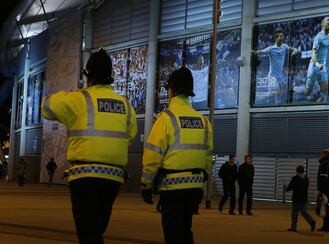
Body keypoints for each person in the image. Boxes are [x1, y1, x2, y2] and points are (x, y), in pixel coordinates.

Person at [41, 48, 137, 244]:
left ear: (88, 76)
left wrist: (66, 94)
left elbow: (46, 108)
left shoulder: (78, 99)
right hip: (113, 178)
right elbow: (130, 136)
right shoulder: (125, 104)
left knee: (88, 233)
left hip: (84, 177)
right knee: (96, 229)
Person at [140, 66, 213, 244]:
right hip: (194, 188)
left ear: (171, 91)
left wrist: (146, 184)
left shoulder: (166, 118)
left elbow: (152, 155)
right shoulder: (203, 121)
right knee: (186, 230)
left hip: (172, 189)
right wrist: (201, 182)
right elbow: (207, 157)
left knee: (173, 234)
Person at [252, 28, 299, 105]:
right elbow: (261, 51)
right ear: (276, 38)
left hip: (279, 75)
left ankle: (275, 103)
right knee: (277, 91)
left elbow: (292, 48)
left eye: (282, 36)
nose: (282, 37)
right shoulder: (271, 48)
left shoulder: (284, 46)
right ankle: (276, 107)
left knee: (283, 91)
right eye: (280, 36)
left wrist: (295, 50)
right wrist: (256, 52)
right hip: (272, 75)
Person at [294, 17, 329, 102]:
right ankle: (294, 89)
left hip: (323, 66)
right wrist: (317, 64)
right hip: (315, 65)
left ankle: (325, 102)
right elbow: (314, 53)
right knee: (307, 91)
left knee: (324, 86)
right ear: (322, 24)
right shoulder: (318, 37)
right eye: (327, 21)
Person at [286, 165, 316, 232]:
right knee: (303, 212)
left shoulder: (295, 178)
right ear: (303, 171)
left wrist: (286, 189)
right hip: (303, 198)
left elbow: (290, 187)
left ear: (296, 171)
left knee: (294, 213)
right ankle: (311, 221)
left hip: (296, 199)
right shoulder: (306, 179)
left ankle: (293, 227)